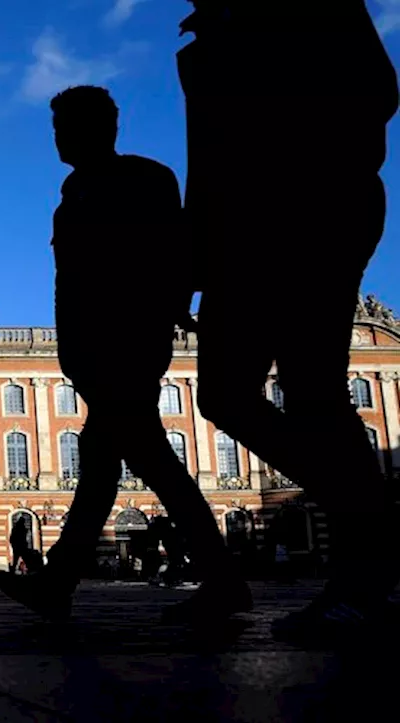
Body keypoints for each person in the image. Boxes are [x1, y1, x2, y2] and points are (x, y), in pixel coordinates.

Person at [179, 0, 398, 641]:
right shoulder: (206, 40)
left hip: (315, 204)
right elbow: (206, 156)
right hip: (236, 233)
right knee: (222, 391)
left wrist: (311, 162)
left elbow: (375, 91)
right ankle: (369, 524)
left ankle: (362, 572)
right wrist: (193, 262)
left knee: (313, 390)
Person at [0, 85, 249, 625]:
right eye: (56, 128)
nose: (58, 139)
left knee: (146, 464)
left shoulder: (144, 179)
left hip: (128, 341)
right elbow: (71, 281)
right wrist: (72, 352)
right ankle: (60, 582)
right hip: (95, 347)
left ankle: (220, 582)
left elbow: (173, 252)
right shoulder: (74, 188)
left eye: (66, 128)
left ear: (103, 128)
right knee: (110, 465)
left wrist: (167, 313)